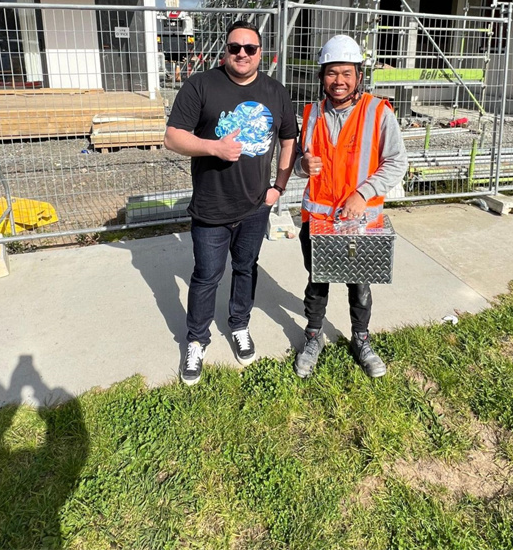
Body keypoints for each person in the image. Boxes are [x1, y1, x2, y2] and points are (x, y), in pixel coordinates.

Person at [164, 20, 297, 385]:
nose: (241, 54)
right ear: (225, 50)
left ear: (261, 53)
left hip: (256, 206)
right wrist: (213, 147)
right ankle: (196, 339)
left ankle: (239, 326)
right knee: (206, 277)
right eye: (234, 47)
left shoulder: (275, 91)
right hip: (211, 208)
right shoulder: (202, 85)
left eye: (249, 48)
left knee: (245, 269)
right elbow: (173, 138)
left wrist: (279, 188)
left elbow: (289, 140)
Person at [293, 35, 408, 379]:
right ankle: (313, 337)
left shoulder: (378, 112)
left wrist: (364, 193)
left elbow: (397, 161)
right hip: (318, 220)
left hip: (359, 223)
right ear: (322, 76)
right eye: (331, 73)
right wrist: (302, 166)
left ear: (359, 75)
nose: (338, 81)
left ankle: (361, 339)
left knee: (359, 286)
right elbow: (302, 159)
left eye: (346, 73)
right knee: (317, 283)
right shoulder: (312, 114)